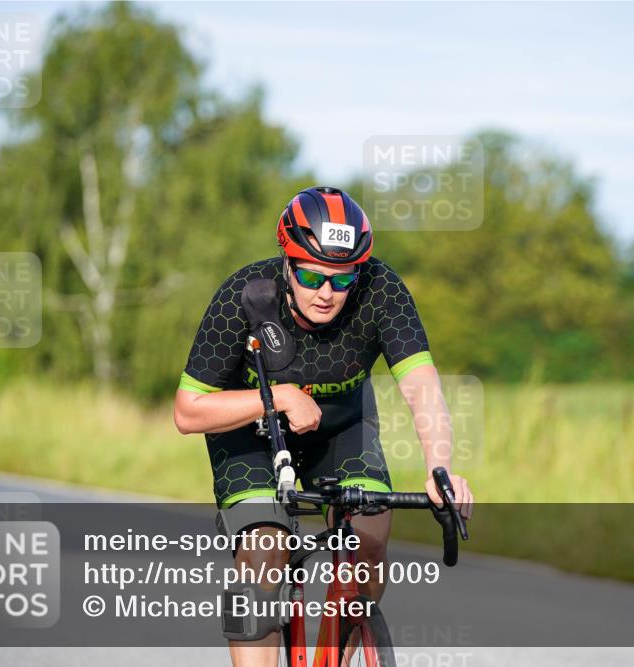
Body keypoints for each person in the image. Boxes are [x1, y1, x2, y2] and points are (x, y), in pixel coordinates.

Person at [174, 186, 473, 667]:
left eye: (342, 278)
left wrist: (441, 469)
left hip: (342, 431)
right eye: (312, 276)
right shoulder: (245, 296)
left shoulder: (381, 291)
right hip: (251, 436)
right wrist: (278, 398)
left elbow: (423, 388)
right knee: (261, 555)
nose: (326, 293)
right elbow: (188, 411)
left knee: (370, 540)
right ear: (288, 263)